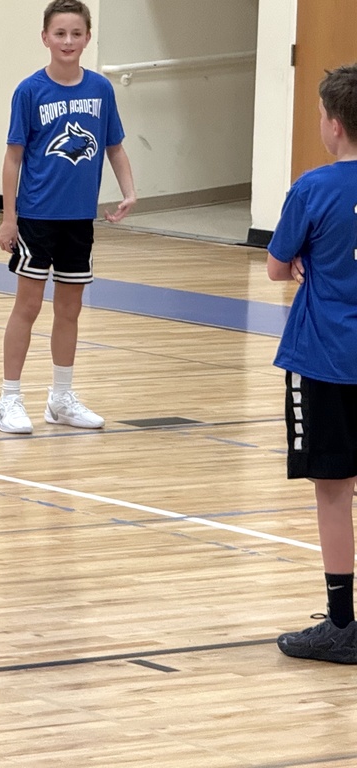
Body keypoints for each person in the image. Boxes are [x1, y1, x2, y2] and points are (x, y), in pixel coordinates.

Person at [0, 0, 136, 435]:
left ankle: (61, 398)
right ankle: (9, 399)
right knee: (29, 305)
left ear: (88, 38)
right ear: (45, 38)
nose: (68, 41)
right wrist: (8, 218)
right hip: (36, 216)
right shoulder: (30, 91)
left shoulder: (101, 89)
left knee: (70, 309)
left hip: (78, 220)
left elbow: (114, 146)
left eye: (76, 33)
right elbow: (13, 158)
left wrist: (129, 190)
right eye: (60, 33)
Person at [268, 63, 357, 664]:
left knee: (333, 490)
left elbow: (277, 265)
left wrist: (304, 261)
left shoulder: (315, 187)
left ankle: (342, 624)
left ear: (332, 123)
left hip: (326, 357)